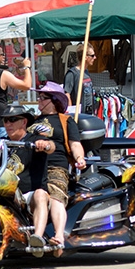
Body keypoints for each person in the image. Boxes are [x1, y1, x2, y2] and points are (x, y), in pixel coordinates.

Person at [32, 82, 87, 257]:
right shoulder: (32, 120)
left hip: (57, 167)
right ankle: (35, 238)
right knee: (35, 196)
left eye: (43, 98)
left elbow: (75, 144)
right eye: (38, 97)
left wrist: (80, 158)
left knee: (56, 198)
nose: (39, 101)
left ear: (54, 100)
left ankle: (58, 237)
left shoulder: (65, 121)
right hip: (33, 167)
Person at [0, 105, 55, 258]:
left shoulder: (34, 139)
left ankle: (37, 238)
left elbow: (51, 147)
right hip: (6, 194)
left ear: (24, 122)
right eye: (5, 121)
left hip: (28, 195)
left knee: (40, 195)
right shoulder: (2, 143)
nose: (8, 124)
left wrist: (45, 145)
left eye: (12, 120)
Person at [63, 43, 96, 114]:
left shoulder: (86, 72)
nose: (95, 58)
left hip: (89, 113)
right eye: (92, 56)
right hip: (79, 114)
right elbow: (67, 94)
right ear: (85, 57)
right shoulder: (72, 74)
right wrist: (71, 113)